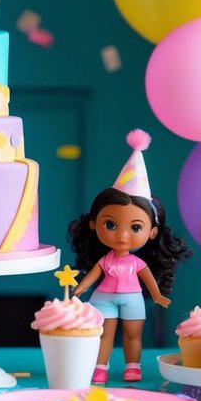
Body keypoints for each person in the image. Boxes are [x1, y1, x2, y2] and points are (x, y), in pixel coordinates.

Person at [69, 130, 190, 384]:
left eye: (135, 228)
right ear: (94, 224)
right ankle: (100, 366)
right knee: (104, 333)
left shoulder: (138, 262)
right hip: (103, 298)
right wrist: (79, 288)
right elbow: (94, 274)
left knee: (133, 335)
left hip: (133, 298)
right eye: (111, 225)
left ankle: (133, 366)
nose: (122, 235)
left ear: (152, 232)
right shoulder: (106, 259)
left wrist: (156, 295)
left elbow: (147, 277)